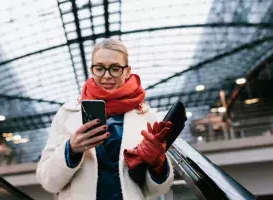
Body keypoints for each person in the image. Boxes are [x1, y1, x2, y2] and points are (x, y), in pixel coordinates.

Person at [36, 38, 174, 200]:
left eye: (115, 69)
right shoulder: (68, 112)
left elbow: (157, 190)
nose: (106, 76)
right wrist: (71, 150)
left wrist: (158, 164)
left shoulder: (147, 116)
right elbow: (48, 181)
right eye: (99, 68)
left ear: (127, 71)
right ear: (92, 69)